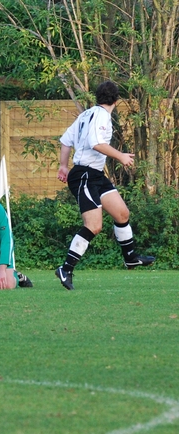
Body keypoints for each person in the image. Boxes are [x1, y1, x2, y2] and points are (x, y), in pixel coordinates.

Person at [55, 80, 155, 290]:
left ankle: (131, 258)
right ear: (117, 101)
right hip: (84, 175)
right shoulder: (100, 116)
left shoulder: (86, 114)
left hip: (95, 175)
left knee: (121, 213)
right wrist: (120, 156)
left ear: (97, 97)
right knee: (94, 226)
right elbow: (96, 143)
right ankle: (66, 268)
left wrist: (63, 166)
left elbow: (65, 141)